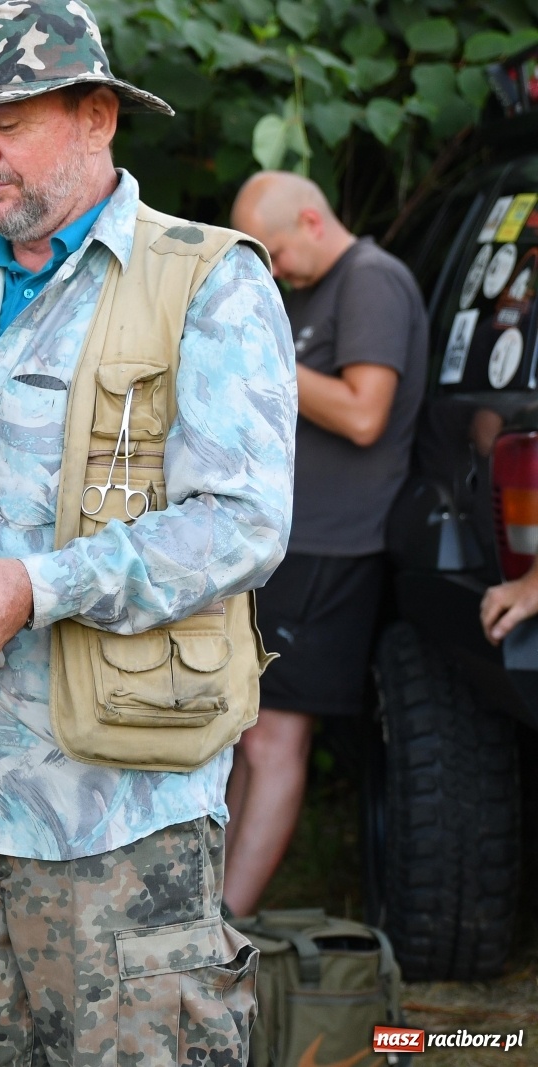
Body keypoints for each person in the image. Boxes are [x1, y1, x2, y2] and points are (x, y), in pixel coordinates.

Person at [0, 2, 296, 1063]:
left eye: (6, 121)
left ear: (94, 117)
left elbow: (243, 524)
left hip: (120, 809)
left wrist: (38, 584)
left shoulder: (205, 281)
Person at [225, 172, 428, 917]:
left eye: (276, 254)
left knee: (276, 738)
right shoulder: (312, 286)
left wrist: (267, 356)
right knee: (247, 730)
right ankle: (208, 915)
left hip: (332, 549)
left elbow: (365, 413)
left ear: (312, 220)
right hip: (286, 542)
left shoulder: (371, 281)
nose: (273, 273)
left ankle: (227, 927)